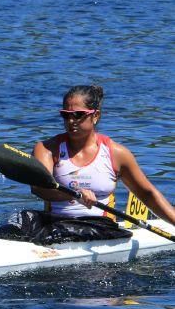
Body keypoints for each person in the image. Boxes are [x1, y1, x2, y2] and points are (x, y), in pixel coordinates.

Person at [31, 85, 175, 225]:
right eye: (66, 115)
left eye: (78, 115)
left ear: (95, 116)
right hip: (56, 224)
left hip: (101, 228)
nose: (70, 121)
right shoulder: (47, 149)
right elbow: (39, 189)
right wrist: (74, 194)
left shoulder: (117, 154)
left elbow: (147, 194)